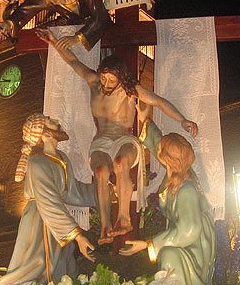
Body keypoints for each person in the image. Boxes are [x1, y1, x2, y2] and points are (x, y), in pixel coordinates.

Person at [36, 27, 199, 245]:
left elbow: (158, 101)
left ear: (120, 77)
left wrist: (183, 120)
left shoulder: (130, 89)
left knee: (121, 163)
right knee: (101, 172)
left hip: (124, 138)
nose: (106, 84)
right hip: (101, 140)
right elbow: (73, 61)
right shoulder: (94, 81)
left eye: (111, 81)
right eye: (104, 79)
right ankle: (105, 225)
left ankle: (124, 219)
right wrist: (54, 41)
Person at [0, 113, 96, 285]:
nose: (56, 122)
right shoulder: (37, 162)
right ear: (45, 134)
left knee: (61, 264)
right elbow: (49, 202)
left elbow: (72, 191)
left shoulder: (61, 158)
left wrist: (106, 191)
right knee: (39, 266)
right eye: (50, 122)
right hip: (40, 220)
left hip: (56, 221)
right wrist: (77, 236)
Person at [119, 115, 216, 285]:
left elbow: (189, 231)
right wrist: (143, 116)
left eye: (161, 150)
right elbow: (159, 144)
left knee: (168, 256)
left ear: (168, 159)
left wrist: (148, 244)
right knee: (167, 255)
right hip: (185, 238)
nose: (157, 150)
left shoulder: (186, 189)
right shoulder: (177, 171)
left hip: (194, 246)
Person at [0, 0, 111, 51]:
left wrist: (77, 38)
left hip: (98, 32)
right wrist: (9, 23)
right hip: (74, 30)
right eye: (49, 1)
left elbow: (100, 16)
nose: (52, 2)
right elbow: (26, 9)